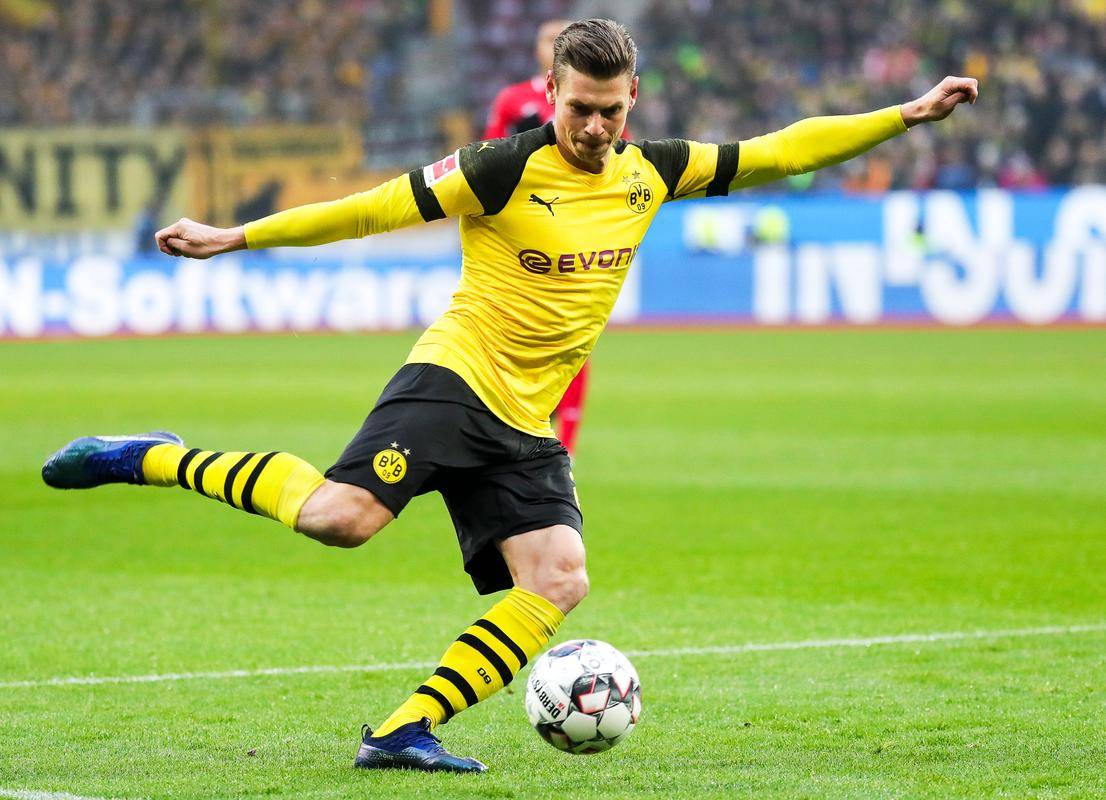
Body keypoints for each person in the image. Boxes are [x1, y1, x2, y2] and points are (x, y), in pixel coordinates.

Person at [42, 18, 977, 775]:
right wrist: (234, 237)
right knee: (339, 520)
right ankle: (156, 456)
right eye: (579, 110)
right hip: (454, 381)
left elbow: (779, 151)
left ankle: (401, 731)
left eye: (610, 111)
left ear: (633, 99)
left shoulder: (652, 172)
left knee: (559, 579)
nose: (595, 129)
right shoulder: (499, 167)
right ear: (550, 94)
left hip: (526, 419)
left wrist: (906, 114)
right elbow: (367, 210)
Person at [483, 18, 614, 457]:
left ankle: (565, 446)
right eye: (547, 38)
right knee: (511, 330)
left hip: (575, 232)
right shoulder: (513, 99)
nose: (554, 44)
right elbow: (487, 160)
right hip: (521, 235)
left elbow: (619, 159)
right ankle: (512, 426)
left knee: (573, 331)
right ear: (537, 50)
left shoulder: (596, 104)